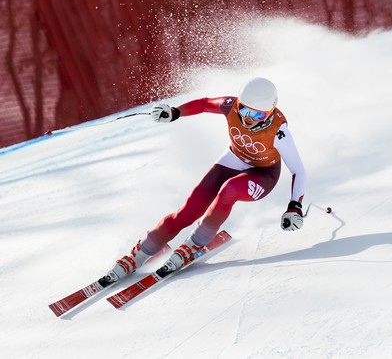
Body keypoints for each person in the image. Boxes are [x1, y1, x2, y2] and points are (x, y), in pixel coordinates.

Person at [104, 77, 306, 282]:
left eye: (256, 114)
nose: (248, 118)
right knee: (187, 212)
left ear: (269, 113)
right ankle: (141, 252)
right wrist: (175, 112)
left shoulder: (278, 132)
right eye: (244, 110)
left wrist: (294, 206)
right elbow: (203, 104)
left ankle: (195, 243)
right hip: (234, 159)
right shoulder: (230, 106)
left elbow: (298, 170)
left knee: (230, 190)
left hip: (264, 173)